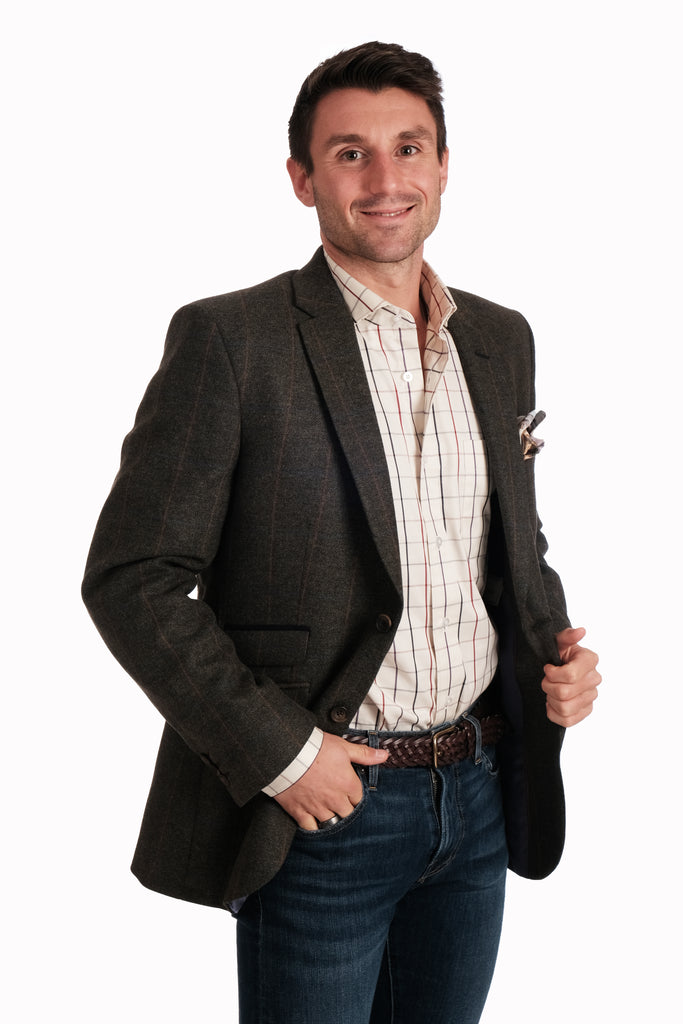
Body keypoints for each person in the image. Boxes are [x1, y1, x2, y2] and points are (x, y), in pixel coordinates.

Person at [82, 40, 601, 1024]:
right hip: (327, 804)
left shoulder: (499, 338)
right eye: (349, 153)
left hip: (480, 790)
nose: (384, 179)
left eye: (408, 147)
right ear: (302, 177)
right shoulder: (232, 341)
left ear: (442, 165)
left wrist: (554, 656)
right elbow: (134, 578)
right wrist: (284, 754)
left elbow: (509, 544)